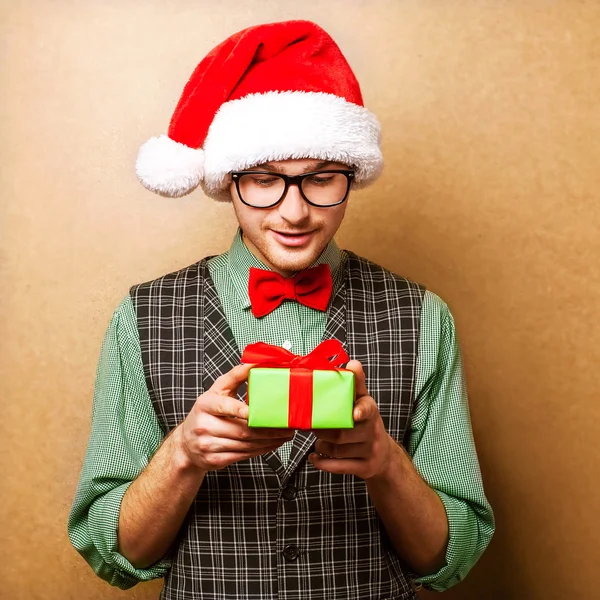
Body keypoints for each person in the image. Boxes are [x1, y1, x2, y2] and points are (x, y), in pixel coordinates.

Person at [68, 19, 494, 600]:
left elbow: (448, 559)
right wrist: (182, 455)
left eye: (321, 180)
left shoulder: (423, 316)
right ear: (228, 182)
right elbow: (118, 555)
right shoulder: (142, 317)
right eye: (265, 180)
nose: (294, 212)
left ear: (352, 175)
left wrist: (385, 463)